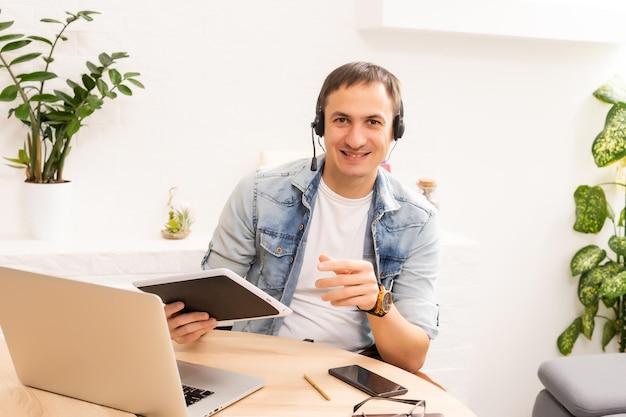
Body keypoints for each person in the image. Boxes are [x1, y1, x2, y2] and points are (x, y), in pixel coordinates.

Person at [166, 61, 440, 376]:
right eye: (341, 120)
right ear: (320, 125)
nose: (355, 139)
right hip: (259, 361)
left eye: (373, 122)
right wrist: (185, 324)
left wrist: (378, 303)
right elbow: (210, 304)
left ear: (396, 130)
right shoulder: (257, 192)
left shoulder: (418, 220)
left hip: (353, 372)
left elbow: (411, 358)